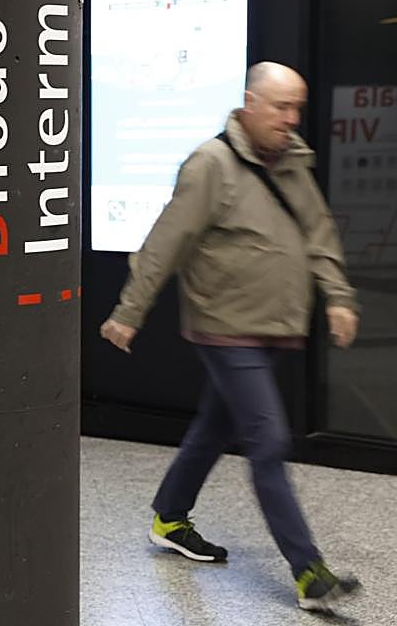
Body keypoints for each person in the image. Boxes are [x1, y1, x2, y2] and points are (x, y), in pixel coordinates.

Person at [100, 62, 361, 613]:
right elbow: (165, 241)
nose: (290, 120)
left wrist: (337, 296)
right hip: (224, 327)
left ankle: (170, 517)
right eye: (280, 107)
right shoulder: (211, 164)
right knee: (267, 442)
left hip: (272, 327)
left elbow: (319, 234)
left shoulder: (293, 163)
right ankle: (309, 572)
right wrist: (130, 311)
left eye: (297, 109)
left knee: (214, 427)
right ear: (249, 102)